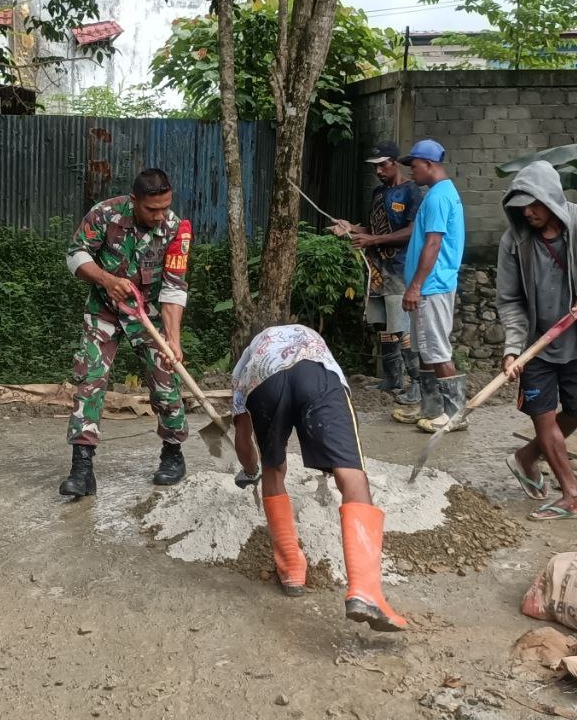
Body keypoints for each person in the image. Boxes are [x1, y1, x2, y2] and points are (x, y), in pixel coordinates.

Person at [230, 324, 406, 632]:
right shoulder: (310, 338)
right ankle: (365, 591)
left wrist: (250, 470)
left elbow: (243, 440)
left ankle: (291, 570)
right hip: (317, 374)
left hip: (265, 386)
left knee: (274, 469)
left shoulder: (247, 364)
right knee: (351, 473)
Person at [497, 161, 577, 521]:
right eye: (522, 205)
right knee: (544, 419)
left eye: (535, 204)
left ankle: (525, 458)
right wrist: (513, 349)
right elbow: (509, 300)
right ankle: (571, 496)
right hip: (535, 346)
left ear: (552, 198)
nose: (529, 211)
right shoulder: (514, 241)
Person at [60, 169, 192, 498]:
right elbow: (75, 255)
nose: (160, 216)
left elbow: (174, 288)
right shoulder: (105, 214)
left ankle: (173, 455)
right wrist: (106, 280)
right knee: (89, 381)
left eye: (165, 207)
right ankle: (82, 468)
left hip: (148, 315)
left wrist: (173, 340)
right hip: (104, 310)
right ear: (135, 202)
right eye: (152, 210)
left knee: (166, 378)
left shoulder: (176, 229)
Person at [330, 140, 423, 405]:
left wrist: (371, 241)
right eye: (375, 167)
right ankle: (393, 378)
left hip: (399, 270)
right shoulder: (378, 194)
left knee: (401, 327)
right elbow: (374, 231)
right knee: (383, 325)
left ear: (395, 163)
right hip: (377, 270)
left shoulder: (412, 192)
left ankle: (416, 382)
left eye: (383, 165)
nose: (378, 171)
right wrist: (350, 228)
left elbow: (411, 231)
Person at [390, 139, 468, 434]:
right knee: (425, 349)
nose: (411, 172)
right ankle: (431, 408)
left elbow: (433, 244)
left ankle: (456, 413)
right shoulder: (441, 193)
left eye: (414, 166)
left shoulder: (437, 197)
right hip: (430, 284)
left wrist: (415, 286)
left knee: (436, 349)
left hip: (432, 285)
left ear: (430, 165)